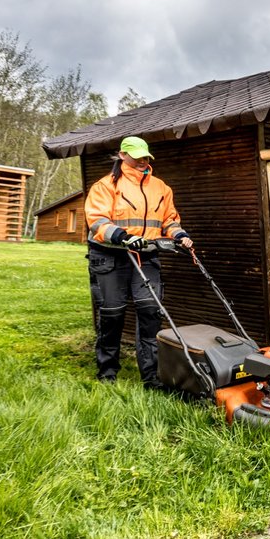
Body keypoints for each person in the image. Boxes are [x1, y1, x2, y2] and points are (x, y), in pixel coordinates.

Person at [84, 136, 193, 388]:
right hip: (111, 255)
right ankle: (107, 372)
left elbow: (169, 219)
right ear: (123, 155)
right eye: (137, 156)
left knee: (150, 313)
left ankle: (151, 376)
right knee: (112, 314)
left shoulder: (160, 187)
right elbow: (97, 221)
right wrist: (124, 237)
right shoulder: (106, 185)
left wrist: (180, 235)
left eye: (146, 156)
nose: (143, 161)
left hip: (146, 255)